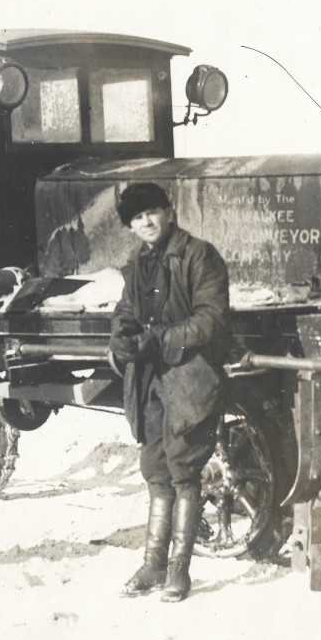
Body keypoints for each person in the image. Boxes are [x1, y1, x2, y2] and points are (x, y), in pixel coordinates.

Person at [110, 183, 231, 602]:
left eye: (152, 213)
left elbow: (211, 320)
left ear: (169, 212)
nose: (146, 222)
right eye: (136, 218)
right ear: (130, 227)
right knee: (155, 469)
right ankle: (152, 564)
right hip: (149, 381)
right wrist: (122, 337)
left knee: (184, 470)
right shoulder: (138, 262)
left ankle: (179, 570)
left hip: (191, 378)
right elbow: (126, 310)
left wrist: (157, 340)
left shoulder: (199, 255)